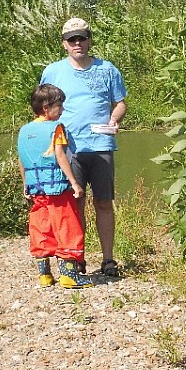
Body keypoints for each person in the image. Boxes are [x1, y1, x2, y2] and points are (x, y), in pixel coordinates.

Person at [40, 18, 127, 277]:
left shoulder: (107, 69)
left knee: (103, 203)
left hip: (100, 146)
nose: (77, 43)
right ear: (64, 44)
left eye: (82, 38)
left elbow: (120, 103)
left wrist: (114, 119)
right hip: (68, 149)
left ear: (89, 39)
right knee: (74, 204)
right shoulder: (53, 71)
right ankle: (77, 258)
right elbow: (42, 107)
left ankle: (108, 260)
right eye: (72, 39)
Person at [17, 84, 93, 288]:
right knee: (67, 226)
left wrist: (25, 184)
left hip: (36, 189)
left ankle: (45, 275)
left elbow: (21, 160)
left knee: (41, 227)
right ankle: (69, 275)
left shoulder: (24, 130)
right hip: (57, 189)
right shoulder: (56, 128)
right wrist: (75, 183)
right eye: (59, 105)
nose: (62, 110)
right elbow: (60, 155)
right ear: (45, 107)